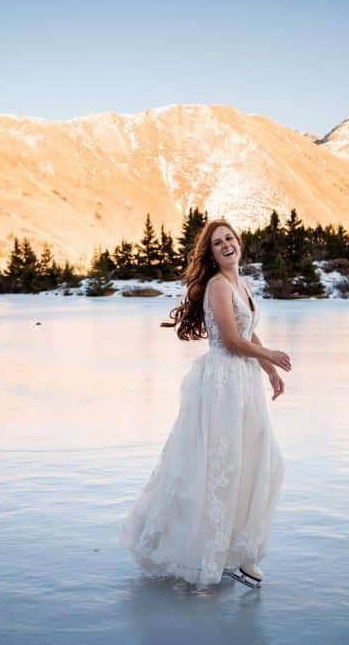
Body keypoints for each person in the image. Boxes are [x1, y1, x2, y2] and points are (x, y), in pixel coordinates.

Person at [119, 219, 290, 588]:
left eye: (229, 238)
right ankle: (214, 555)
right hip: (223, 385)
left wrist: (268, 370)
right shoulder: (216, 285)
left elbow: (248, 331)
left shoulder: (241, 283)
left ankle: (238, 552)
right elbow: (229, 340)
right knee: (220, 469)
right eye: (217, 243)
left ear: (239, 242)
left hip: (244, 383)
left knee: (261, 463)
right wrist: (271, 354)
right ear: (211, 253)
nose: (226, 245)